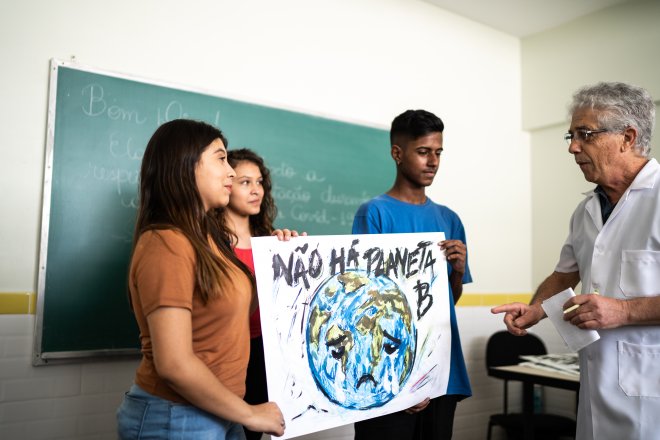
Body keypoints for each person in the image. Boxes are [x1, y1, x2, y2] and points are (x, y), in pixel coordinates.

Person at [492, 82, 660, 439]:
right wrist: (536, 309)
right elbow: (564, 274)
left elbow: (618, 308)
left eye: (585, 134)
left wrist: (624, 311)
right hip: (596, 390)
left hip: (651, 399)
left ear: (627, 137)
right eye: (571, 135)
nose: (572, 147)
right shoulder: (586, 209)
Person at [116, 119, 287, 439]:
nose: (232, 173)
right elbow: (174, 363)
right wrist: (250, 413)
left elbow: (235, 313)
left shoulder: (209, 241)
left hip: (222, 410)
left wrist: (285, 262)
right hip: (178, 416)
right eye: (221, 158)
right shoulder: (166, 242)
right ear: (186, 165)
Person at [352, 109, 472, 440]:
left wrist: (458, 272)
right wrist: (403, 379)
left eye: (438, 152)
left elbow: (448, 300)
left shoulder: (449, 218)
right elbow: (367, 303)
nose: (433, 161)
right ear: (397, 153)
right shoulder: (374, 212)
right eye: (423, 152)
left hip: (441, 367)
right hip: (389, 370)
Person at [223, 148, 277, 440]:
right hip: (229, 352)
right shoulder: (212, 244)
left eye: (259, 182)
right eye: (245, 182)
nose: (256, 190)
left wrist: (292, 252)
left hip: (265, 351)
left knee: (254, 432)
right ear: (226, 183)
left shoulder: (272, 241)